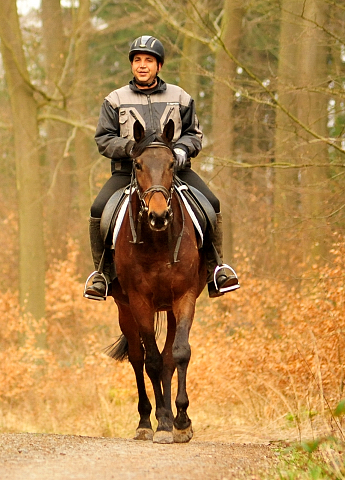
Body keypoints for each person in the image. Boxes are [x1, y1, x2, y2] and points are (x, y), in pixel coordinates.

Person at [84, 35, 239, 300]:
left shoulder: (180, 97)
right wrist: (129, 149)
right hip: (129, 172)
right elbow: (104, 138)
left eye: (148, 60)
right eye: (137, 60)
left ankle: (216, 269)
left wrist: (181, 150)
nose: (142, 65)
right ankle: (103, 273)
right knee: (98, 210)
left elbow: (193, 133)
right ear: (131, 65)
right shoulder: (114, 99)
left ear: (159, 66)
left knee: (212, 204)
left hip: (174, 170)